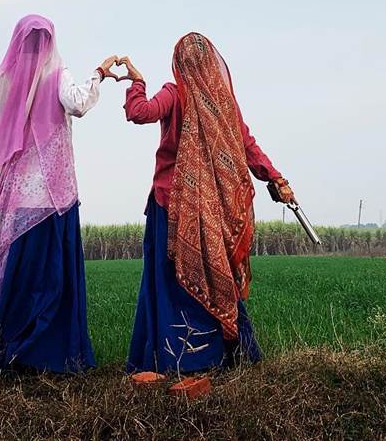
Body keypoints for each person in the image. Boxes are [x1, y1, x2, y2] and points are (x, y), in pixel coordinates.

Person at [0, 14, 122, 374]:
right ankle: (49, 358)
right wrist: (99, 72)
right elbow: (79, 104)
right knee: (51, 280)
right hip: (53, 201)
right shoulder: (57, 75)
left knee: (14, 280)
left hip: (14, 204)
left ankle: (7, 356)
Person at [120, 32, 295, 377]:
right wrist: (276, 178)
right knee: (217, 278)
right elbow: (247, 147)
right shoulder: (222, 104)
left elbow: (139, 112)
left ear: (179, 63)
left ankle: (173, 360)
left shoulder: (175, 92)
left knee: (169, 282)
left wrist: (136, 82)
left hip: (169, 205)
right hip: (209, 212)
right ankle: (224, 355)